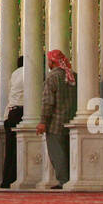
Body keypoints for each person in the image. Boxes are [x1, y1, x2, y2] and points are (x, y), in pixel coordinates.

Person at [37, 49, 78, 188]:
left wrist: (43, 122)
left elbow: (48, 102)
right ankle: (72, 179)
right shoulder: (73, 76)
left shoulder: (52, 77)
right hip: (72, 121)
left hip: (55, 122)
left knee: (57, 153)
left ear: (51, 62)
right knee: (69, 152)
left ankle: (64, 181)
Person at [1, 56, 25, 188]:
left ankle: (7, 180)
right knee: (17, 150)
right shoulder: (28, 72)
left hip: (10, 113)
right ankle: (14, 178)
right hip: (20, 112)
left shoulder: (14, 74)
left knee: (10, 150)